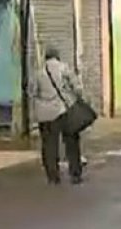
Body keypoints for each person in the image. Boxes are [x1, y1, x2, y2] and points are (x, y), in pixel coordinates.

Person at [30, 47, 85, 185]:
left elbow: (32, 92)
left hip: (46, 115)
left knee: (49, 145)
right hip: (64, 110)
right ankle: (75, 173)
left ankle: (53, 175)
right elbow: (77, 88)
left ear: (46, 58)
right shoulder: (64, 69)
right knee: (71, 142)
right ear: (58, 57)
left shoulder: (39, 73)